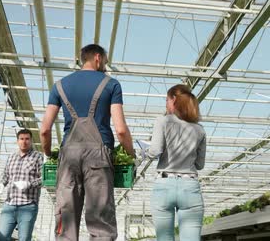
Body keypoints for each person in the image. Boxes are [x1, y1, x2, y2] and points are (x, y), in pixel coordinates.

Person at [40, 43, 135, 241]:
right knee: (101, 220)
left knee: (66, 218)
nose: (106, 65)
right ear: (98, 58)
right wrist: (131, 153)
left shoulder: (59, 86)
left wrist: (49, 154)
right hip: (99, 156)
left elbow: (45, 129)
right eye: (106, 61)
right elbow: (121, 129)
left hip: (68, 157)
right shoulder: (111, 84)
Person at [146, 84, 206, 241]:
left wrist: (143, 152)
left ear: (174, 100)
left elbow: (155, 151)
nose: (166, 104)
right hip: (190, 187)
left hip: (165, 185)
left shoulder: (163, 121)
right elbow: (200, 165)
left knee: (164, 237)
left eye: (166, 100)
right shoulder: (199, 129)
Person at [0, 129, 43, 241]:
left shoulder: (38, 157)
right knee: (2, 237)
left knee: (24, 238)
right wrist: (1, 184)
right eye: (21, 139)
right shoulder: (11, 157)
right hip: (9, 204)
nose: (24, 141)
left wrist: (30, 184)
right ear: (17, 141)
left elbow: (44, 178)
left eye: (27, 139)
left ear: (31, 141)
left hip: (28, 205)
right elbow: (6, 175)